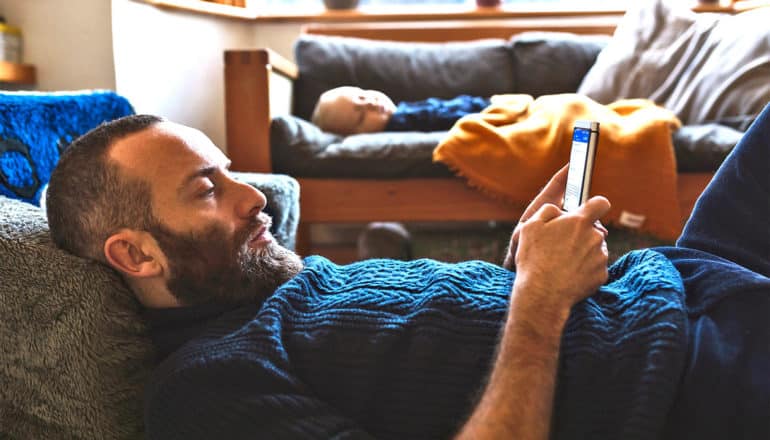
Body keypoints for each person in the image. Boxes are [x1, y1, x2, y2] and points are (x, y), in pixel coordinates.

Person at [44, 104, 770, 438]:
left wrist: (516, 271)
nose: (254, 195)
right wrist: (540, 300)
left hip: (683, 274)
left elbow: (447, 348)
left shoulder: (282, 290)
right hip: (690, 371)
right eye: (208, 190)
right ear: (137, 254)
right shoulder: (203, 389)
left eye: (231, 172)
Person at [311, 85, 491, 135]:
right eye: (361, 117)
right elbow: (450, 117)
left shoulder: (401, 112)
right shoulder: (402, 122)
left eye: (363, 96)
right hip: (486, 111)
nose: (371, 104)